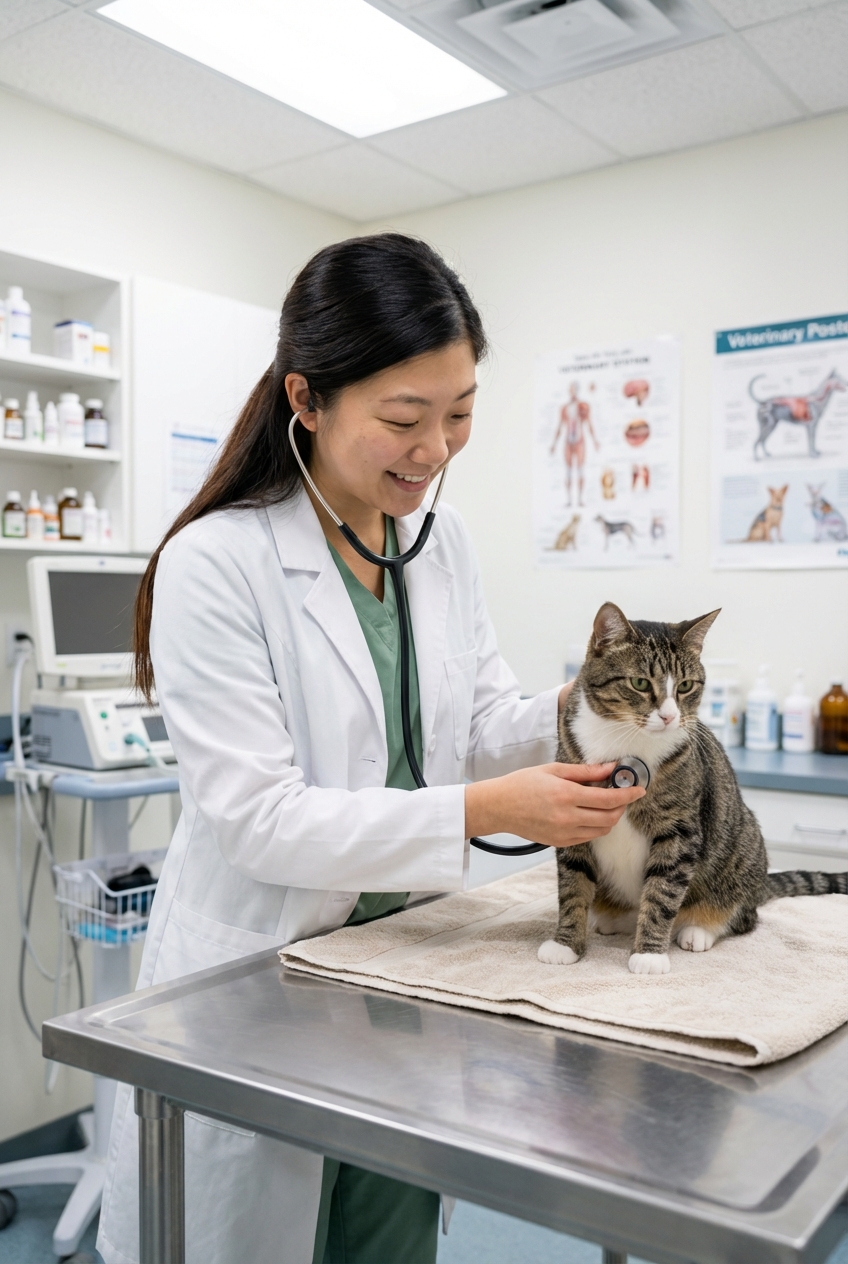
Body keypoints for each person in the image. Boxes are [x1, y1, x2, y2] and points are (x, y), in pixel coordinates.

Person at [97, 234, 642, 1264]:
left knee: (384, 1238)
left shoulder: (440, 546)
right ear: (306, 399)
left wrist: (580, 705)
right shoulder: (216, 563)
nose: (433, 448)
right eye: (403, 418)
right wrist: (490, 812)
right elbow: (260, 821)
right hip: (262, 987)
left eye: (460, 412)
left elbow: (475, 727)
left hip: (406, 984)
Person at [550, 380, 599, 507]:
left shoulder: (583, 406)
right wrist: (554, 444)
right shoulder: (564, 408)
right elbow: (560, 426)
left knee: (580, 470)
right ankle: (569, 500)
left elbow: (589, 424)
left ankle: (580, 499)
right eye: (571, 389)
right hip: (568, 441)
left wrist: (595, 441)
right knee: (568, 471)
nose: (572, 392)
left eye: (574, 389)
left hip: (579, 441)